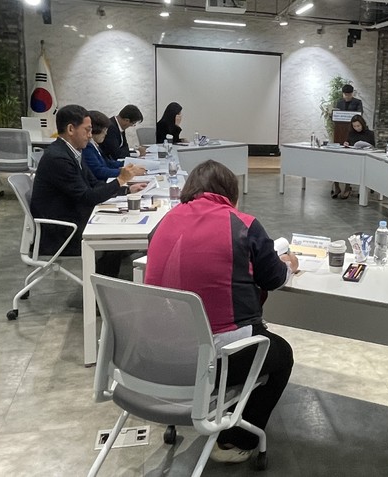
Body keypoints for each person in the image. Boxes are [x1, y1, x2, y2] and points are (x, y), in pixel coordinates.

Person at [144, 160, 297, 464]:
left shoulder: (162, 223)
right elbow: (274, 278)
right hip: (214, 359)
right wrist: (289, 264)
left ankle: (220, 409)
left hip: (159, 354)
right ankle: (236, 441)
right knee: (281, 354)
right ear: (230, 193)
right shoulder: (243, 225)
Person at [30, 104, 145, 276]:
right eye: (87, 130)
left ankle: (104, 279)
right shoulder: (58, 158)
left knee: (121, 233)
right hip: (62, 231)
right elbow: (87, 196)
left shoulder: (73, 151)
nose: (91, 135)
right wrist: (121, 180)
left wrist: (126, 190)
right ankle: (100, 287)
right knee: (116, 237)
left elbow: (93, 183)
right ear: (71, 129)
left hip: (72, 216)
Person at [82, 110, 146, 181]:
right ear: (96, 129)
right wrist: (128, 172)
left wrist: (130, 165)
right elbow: (99, 171)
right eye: (104, 130)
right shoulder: (87, 147)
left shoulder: (94, 144)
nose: (106, 133)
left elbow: (108, 163)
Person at [332, 114, 375, 200]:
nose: (356, 128)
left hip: (363, 159)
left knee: (348, 167)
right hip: (352, 156)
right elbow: (348, 142)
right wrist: (346, 143)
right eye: (354, 126)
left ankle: (347, 187)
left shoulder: (369, 133)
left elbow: (373, 147)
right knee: (337, 164)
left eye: (358, 126)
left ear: (362, 124)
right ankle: (337, 187)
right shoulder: (351, 133)